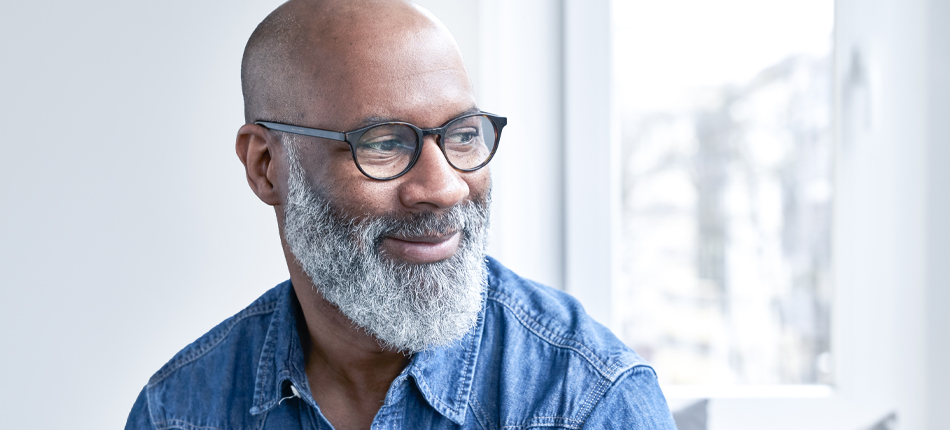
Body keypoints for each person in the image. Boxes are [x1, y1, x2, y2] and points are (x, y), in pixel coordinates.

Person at [124, 0, 675, 428]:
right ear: (266, 166)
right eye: (384, 143)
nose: (445, 188)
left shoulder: (589, 400)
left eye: (463, 135)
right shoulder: (178, 411)